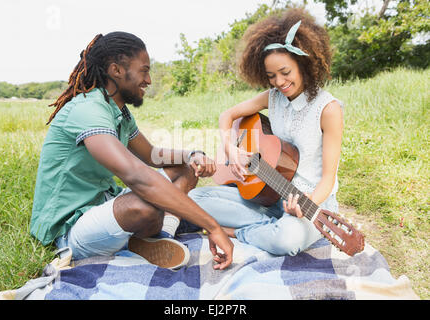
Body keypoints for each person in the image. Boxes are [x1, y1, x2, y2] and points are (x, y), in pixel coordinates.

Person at [30, 32, 233, 270]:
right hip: (68, 229)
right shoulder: (87, 109)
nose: (148, 80)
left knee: (185, 170)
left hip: (102, 203)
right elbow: (137, 175)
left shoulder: (119, 112)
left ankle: (161, 237)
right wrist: (212, 226)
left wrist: (192, 155)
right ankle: (147, 236)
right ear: (116, 70)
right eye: (143, 71)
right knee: (144, 203)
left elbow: (151, 155)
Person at [188, 8, 344, 256]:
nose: (279, 82)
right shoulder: (272, 97)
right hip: (268, 195)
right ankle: (265, 225)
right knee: (195, 199)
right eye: (271, 76)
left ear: (303, 64)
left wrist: (308, 204)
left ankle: (235, 231)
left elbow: (328, 178)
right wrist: (231, 148)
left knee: (286, 241)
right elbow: (227, 116)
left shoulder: (328, 109)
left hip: (309, 200)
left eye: (285, 72)